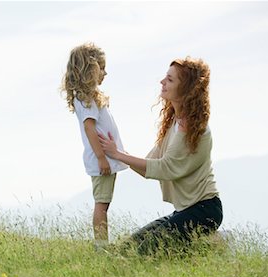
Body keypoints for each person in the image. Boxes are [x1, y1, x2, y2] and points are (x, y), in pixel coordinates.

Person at [98, 56, 223, 255]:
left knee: (142, 253)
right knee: (127, 249)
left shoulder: (191, 128)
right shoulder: (174, 123)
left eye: (170, 79)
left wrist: (118, 154)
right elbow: (149, 166)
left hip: (204, 211)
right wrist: (117, 153)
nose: (162, 82)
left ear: (187, 89)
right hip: (184, 211)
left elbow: (164, 168)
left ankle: (213, 246)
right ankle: (205, 248)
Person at [61, 42, 128, 250]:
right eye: (102, 67)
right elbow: (90, 129)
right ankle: (101, 246)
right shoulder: (86, 99)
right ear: (91, 69)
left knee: (104, 202)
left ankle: (102, 244)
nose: (105, 73)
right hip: (102, 160)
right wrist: (101, 158)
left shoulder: (90, 98)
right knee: (102, 204)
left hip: (107, 158)